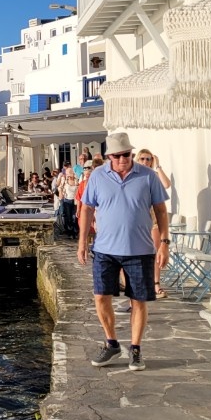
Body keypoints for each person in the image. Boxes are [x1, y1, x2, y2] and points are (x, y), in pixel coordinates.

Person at [76, 132, 169, 372]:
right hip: (104, 250)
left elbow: (161, 210)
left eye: (126, 154)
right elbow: (86, 209)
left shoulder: (148, 176)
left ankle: (135, 349)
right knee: (100, 297)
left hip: (140, 250)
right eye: (117, 156)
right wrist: (82, 242)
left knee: (138, 300)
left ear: (131, 153)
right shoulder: (97, 176)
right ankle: (112, 343)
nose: (122, 159)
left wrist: (164, 243)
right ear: (109, 156)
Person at [136, 149, 173, 295]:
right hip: (139, 217)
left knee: (155, 250)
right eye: (142, 159)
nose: (145, 161)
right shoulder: (134, 176)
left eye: (148, 159)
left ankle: (156, 283)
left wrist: (158, 166)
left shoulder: (154, 176)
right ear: (138, 160)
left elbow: (167, 184)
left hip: (153, 216)